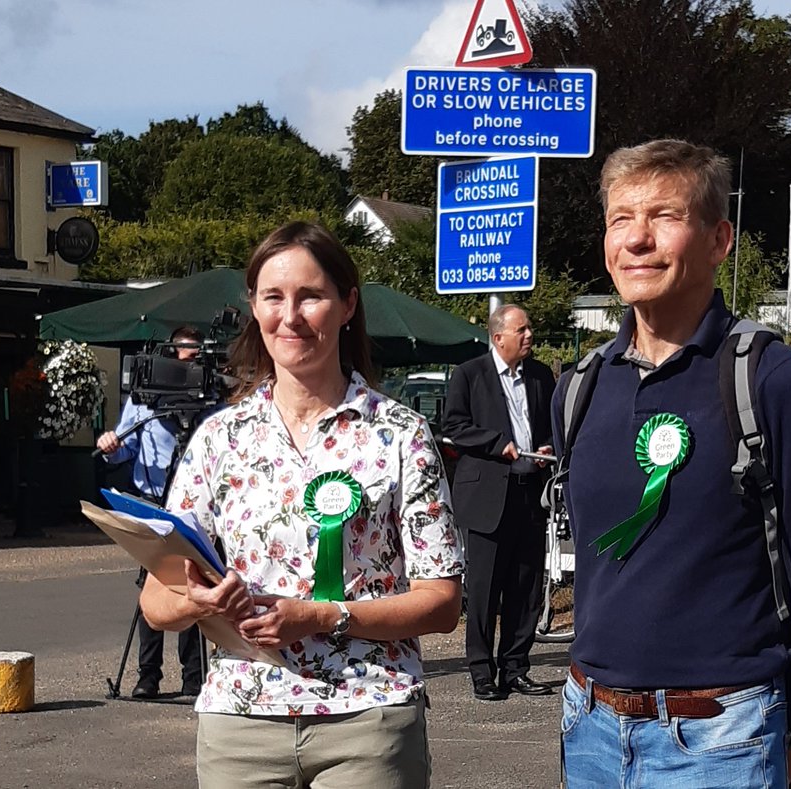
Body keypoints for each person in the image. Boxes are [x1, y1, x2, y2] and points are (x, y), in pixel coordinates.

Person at [553, 139, 791, 788]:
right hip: (590, 729)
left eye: (664, 216)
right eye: (620, 219)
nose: (636, 239)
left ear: (719, 240)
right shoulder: (579, 388)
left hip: (723, 738)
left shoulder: (775, 381)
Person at [139, 221, 464, 789]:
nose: (289, 316)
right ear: (254, 307)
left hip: (367, 717)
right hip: (240, 723)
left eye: (310, 296)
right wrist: (198, 600)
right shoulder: (219, 439)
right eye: (273, 297)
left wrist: (322, 616)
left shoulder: (400, 434)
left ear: (347, 305)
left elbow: (441, 603)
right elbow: (154, 602)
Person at [442, 305, 556, 702]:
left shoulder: (540, 375)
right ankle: (481, 671)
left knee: (525, 587)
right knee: (485, 589)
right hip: (487, 495)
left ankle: (516, 668)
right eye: (521, 330)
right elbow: (454, 426)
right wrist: (496, 444)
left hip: (529, 491)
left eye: (530, 328)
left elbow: (552, 425)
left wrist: (547, 447)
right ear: (498, 337)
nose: (529, 335)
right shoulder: (469, 374)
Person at [96, 325, 205, 699]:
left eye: (197, 355)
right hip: (151, 504)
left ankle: (194, 677)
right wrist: (111, 445)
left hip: (194, 509)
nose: (191, 362)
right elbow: (125, 448)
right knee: (152, 587)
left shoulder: (211, 397)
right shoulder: (145, 399)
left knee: (192, 585)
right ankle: (148, 676)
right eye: (186, 354)